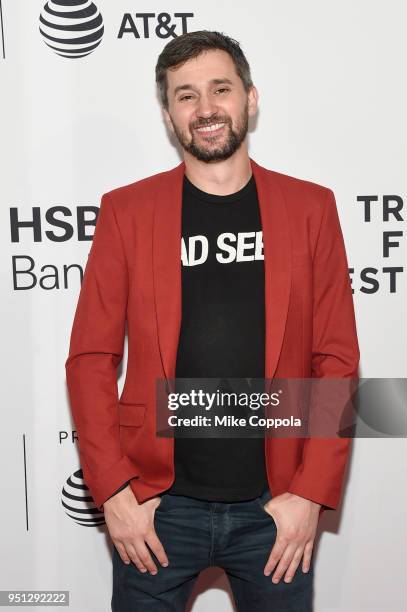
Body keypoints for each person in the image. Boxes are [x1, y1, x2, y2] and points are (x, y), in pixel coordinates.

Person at [65, 30, 360, 611]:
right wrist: (115, 493)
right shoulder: (127, 211)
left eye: (220, 89)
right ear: (169, 113)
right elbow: (91, 360)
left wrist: (309, 494)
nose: (205, 109)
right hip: (157, 510)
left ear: (250, 98)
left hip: (274, 511)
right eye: (185, 95)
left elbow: (337, 359)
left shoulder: (310, 208)